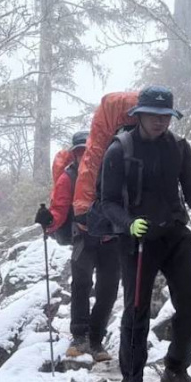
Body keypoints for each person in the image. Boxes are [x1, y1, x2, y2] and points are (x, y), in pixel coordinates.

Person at [97, 86, 191, 382]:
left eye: (166, 116)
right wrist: (128, 223)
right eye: (154, 115)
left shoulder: (179, 147)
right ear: (139, 115)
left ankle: (175, 367)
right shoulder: (120, 150)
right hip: (138, 241)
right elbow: (107, 202)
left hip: (174, 234)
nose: (160, 122)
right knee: (137, 313)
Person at [37, 131, 122, 362]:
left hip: (111, 238)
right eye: (79, 152)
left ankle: (95, 338)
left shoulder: (113, 170)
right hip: (83, 237)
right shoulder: (68, 178)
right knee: (82, 285)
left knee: (108, 290)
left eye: (88, 151)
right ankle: (80, 336)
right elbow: (59, 208)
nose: (84, 156)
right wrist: (49, 220)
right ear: (74, 154)